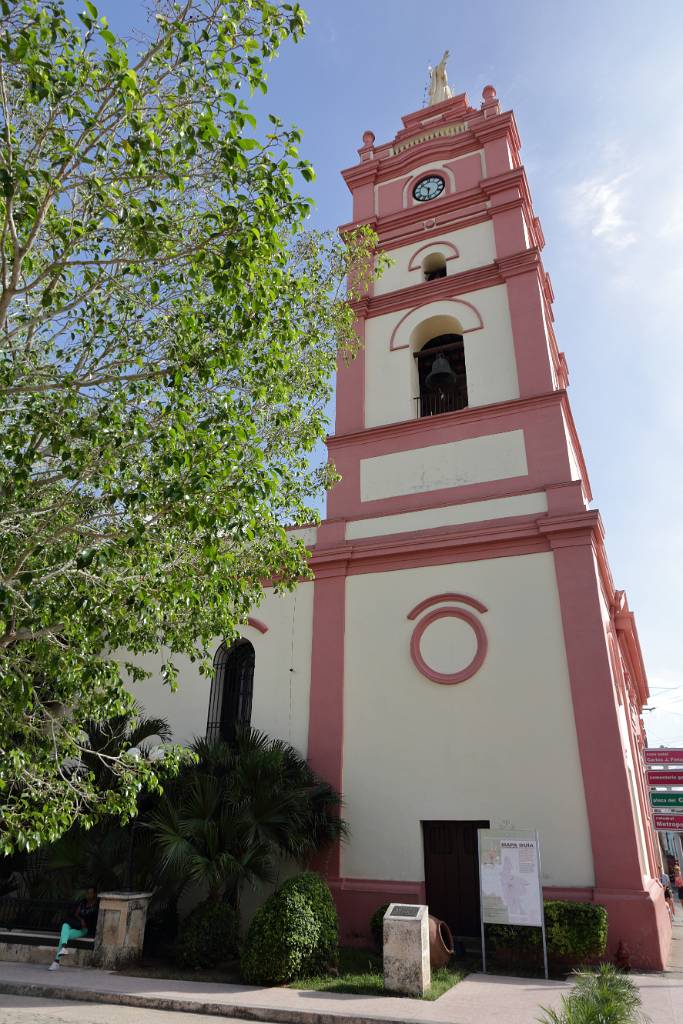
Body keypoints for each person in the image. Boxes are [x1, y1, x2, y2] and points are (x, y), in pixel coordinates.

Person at [49, 885, 99, 970]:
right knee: (65, 925)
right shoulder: (83, 902)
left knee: (63, 936)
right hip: (76, 924)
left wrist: (85, 923)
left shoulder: (97, 906)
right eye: (87, 893)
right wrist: (81, 919)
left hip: (84, 929)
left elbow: (95, 920)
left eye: (90, 893)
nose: (88, 895)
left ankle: (57, 961)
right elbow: (76, 914)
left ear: (95, 894)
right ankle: (64, 948)